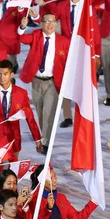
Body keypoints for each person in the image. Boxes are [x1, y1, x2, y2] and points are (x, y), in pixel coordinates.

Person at [18, 13, 70, 148]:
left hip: (53, 82)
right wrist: (22, 26)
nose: (50, 24)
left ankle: (46, 143)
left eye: (53, 21)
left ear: (56, 24)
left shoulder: (64, 42)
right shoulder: (36, 35)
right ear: (41, 24)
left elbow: (69, 63)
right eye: (47, 21)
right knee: (40, 112)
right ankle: (44, 136)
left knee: (49, 113)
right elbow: (22, 38)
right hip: (36, 81)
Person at [0, 59, 43, 155]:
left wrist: (37, 138)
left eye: (5, 74)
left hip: (14, 138)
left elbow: (30, 118)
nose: (2, 77)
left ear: (11, 74)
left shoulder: (21, 93)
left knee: (13, 169)